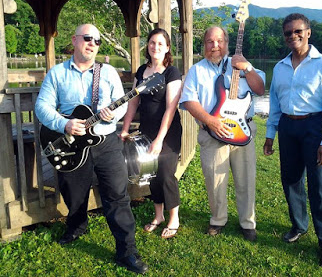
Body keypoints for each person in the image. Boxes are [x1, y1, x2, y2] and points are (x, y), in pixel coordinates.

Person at [35, 24, 148, 274]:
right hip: (71, 143)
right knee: (74, 192)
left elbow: (120, 104)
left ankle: (126, 251)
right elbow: (42, 107)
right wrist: (63, 124)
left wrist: (111, 115)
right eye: (88, 38)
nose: (93, 44)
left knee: (117, 196)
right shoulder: (57, 74)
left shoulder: (107, 72)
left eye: (97, 41)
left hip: (106, 142)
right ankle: (76, 226)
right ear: (74, 40)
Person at [263, 13, 322, 270]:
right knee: (291, 179)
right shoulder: (281, 67)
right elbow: (275, 103)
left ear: (308, 32)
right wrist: (270, 135)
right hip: (287, 126)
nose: (293, 36)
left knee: (319, 187)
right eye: (288, 33)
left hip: (314, 126)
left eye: (298, 31)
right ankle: (299, 225)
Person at [180, 26, 265, 241]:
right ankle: (218, 219)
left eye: (219, 41)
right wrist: (210, 121)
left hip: (242, 131)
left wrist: (247, 68)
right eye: (210, 41)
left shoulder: (240, 64)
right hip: (212, 134)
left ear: (226, 43)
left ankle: (248, 222)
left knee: (246, 179)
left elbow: (260, 89)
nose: (215, 46)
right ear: (204, 45)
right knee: (214, 180)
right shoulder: (197, 70)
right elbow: (189, 100)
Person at [120, 28, 182, 239]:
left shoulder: (171, 73)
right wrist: (126, 128)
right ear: (148, 45)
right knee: (152, 173)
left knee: (165, 173)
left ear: (167, 48)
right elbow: (133, 103)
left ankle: (174, 217)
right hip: (145, 130)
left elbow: (171, 108)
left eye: (160, 44)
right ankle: (159, 216)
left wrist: (159, 139)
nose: (156, 47)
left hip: (168, 132)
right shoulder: (141, 71)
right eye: (152, 42)